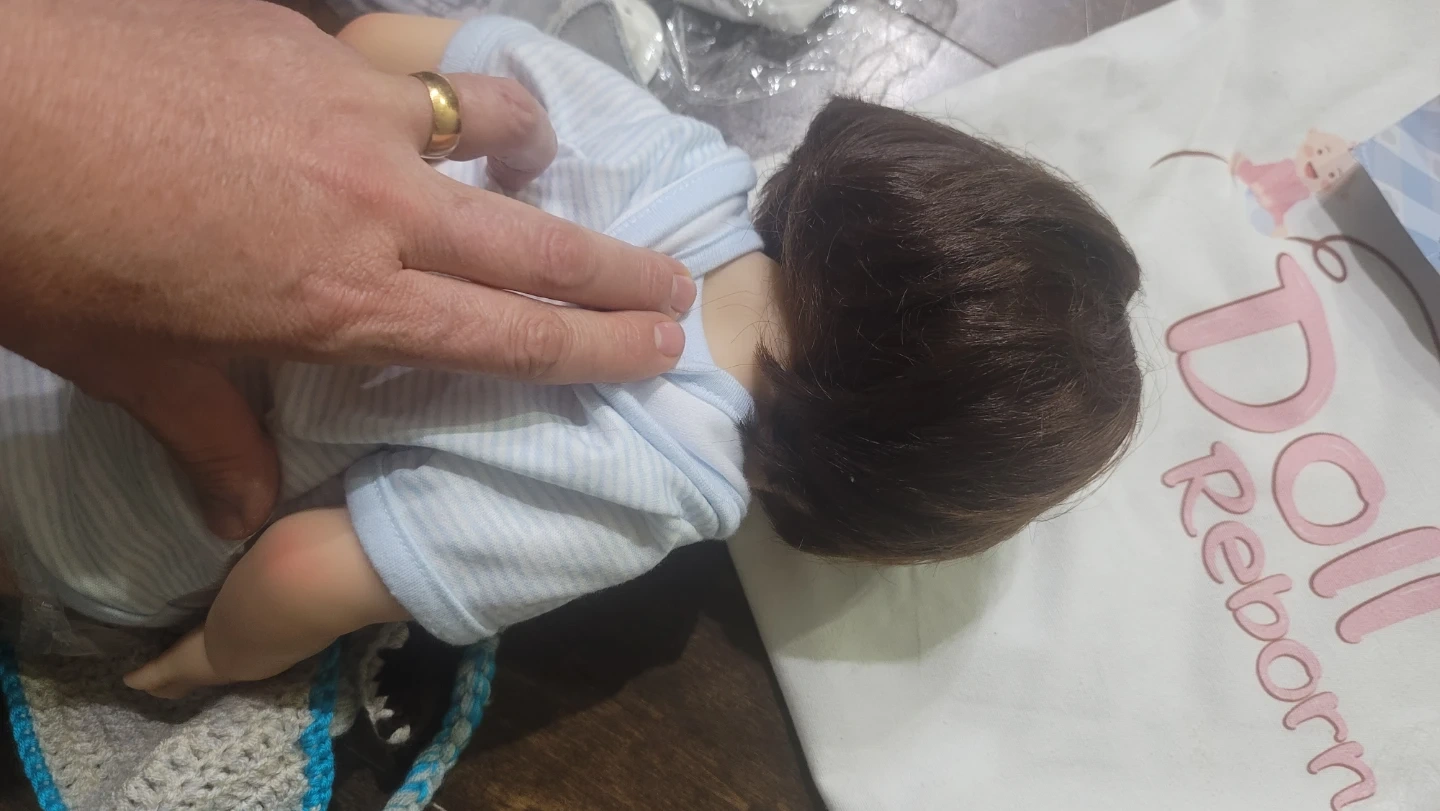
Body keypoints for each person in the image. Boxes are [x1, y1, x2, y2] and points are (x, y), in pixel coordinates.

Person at [0, 13, 1142, 697]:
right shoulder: (661, 481)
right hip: (71, 497)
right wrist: (215, 662)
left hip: (82, 200)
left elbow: (372, 48)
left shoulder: (665, 147)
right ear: (874, 503)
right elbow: (302, 574)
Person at [0, 0, 696, 544]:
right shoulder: (679, 471)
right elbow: (296, 573)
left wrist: (54, 81)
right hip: (82, 514)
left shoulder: (681, 151)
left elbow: (370, 40)